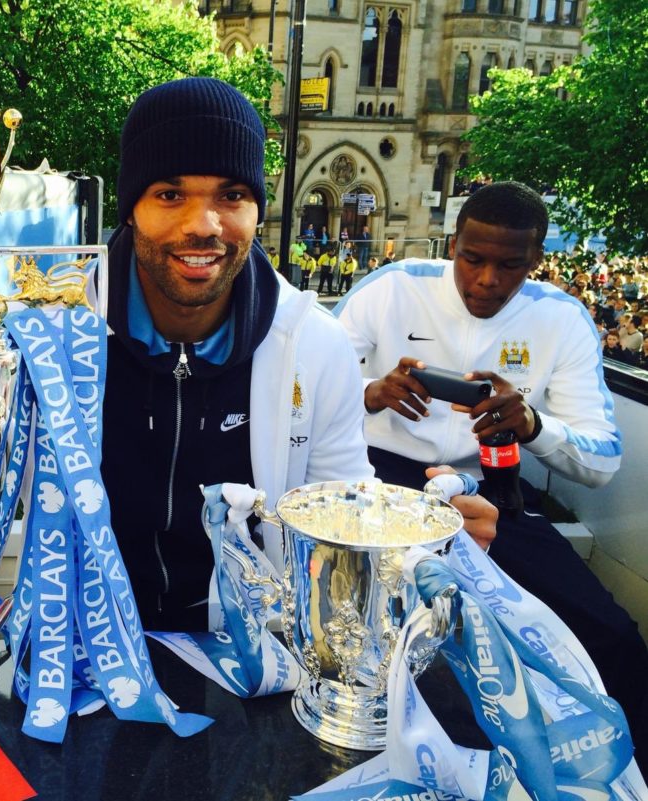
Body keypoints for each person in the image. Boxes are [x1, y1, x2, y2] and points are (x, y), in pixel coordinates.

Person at [100, 76, 494, 633]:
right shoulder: (58, 338)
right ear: (131, 206)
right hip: (86, 641)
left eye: (231, 196)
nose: (203, 225)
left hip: (252, 645)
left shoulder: (315, 343)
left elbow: (341, 514)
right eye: (170, 194)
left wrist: (427, 547)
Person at [334, 180, 648, 756]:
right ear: (451, 243)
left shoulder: (562, 317)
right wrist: (371, 392)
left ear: (537, 260)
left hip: (495, 490)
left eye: (510, 266)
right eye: (473, 259)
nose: (487, 281)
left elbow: (603, 458)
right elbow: (311, 388)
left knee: (614, 637)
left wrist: (532, 424)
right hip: (383, 482)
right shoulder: (390, 288)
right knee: (366, 633)